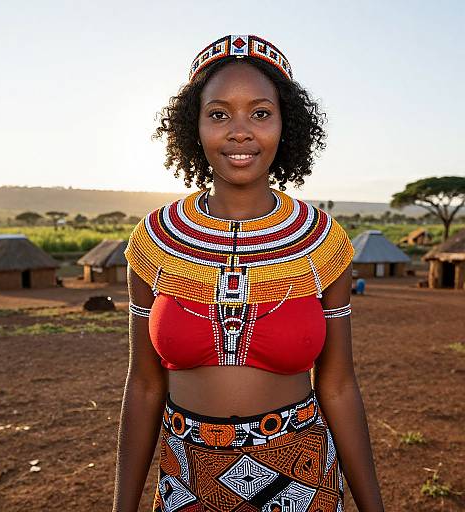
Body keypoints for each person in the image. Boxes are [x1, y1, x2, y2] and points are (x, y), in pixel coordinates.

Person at [113, 34, 384, 512]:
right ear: (193, 128)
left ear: (286, 126)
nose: (240, 131)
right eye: (219, 114)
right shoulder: (155, 241)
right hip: (186, 483)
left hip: (303, 481)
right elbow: (144, 384)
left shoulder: (322, 243)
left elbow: (339, 385)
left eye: (260, 113)